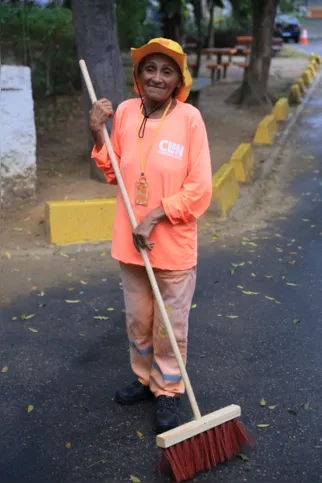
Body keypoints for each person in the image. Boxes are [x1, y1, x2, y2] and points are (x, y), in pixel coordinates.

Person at [90, 38, 212, 434]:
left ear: (179, 78)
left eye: (167, 70)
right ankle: (145, 380)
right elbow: (115, 173)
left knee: (169, 326)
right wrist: (97, 133)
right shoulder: (125, 112)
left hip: (172, 246)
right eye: (150, 69)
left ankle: (168, 390)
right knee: (139, 321)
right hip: (130, 243)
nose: (157, 77)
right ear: (139, 75)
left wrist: (157, 214)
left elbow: (200, 188)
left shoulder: (190, 118)